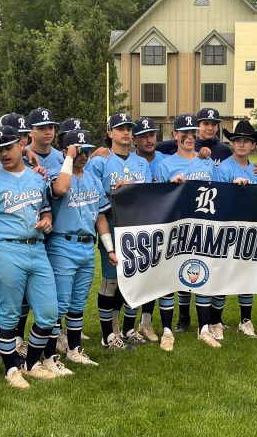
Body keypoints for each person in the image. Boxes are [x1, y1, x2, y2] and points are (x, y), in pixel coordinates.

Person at [0, 125, 59, 388]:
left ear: (21, 144)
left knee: (49, 313)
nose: (3, 154)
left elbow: (45, 211)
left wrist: (47, 220)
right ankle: (12, 370)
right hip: (5, 249)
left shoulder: (37, 177)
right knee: (8, 314)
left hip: (37, 248)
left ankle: (30, 364)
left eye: (7, 147)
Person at [47, 129, 116, 366]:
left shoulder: (93, 179)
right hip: (62, 244)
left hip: (87, 246)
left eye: (86, 149)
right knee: (59, 304)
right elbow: (61, 189)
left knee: (77, 304)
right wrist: (69, 158)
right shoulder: (57, 174)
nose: (83, 154)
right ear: (65, 151)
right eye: (78, 150)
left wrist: (109, 248)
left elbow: (100, 217)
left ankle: (74, 349)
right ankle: (50, 356)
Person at [86, 113, 151, 350]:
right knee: (111, 281)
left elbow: (149, 196)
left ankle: (128, 328)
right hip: (111, 223)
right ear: (110, 133)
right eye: (120, 128)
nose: (126, 132)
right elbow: (91, 194)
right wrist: (117, 193)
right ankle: (108, 334)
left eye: (129, 129)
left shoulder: (141, 163)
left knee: (133, 278)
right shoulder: (100, 161)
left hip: (136, 225)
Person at [156, 113, 219, 349]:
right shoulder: (166, 164)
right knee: (170, 277)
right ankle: (167, 331)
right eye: (185, 133)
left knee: (201, 274)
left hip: (202, 225)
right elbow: (157, 198)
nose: (190, 137)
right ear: (175, 136)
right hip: (175, 227)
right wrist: (170, 187)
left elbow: (218, 193)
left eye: (193, 133)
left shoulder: (206, 164)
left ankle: (204, 329)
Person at [213, 120, 257, 339]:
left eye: (246, 141)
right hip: (228, 227)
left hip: (251, 228)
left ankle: (245, 320)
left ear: (253, 145)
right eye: (237, 140)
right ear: (232, 143)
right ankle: (215, 321)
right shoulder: (223, 168)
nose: (242, 145)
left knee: (247, 274)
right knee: (223, 275)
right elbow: (217, 201)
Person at [131, 117, 166, 342]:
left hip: (159, 223)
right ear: (134, 140)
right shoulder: (129, 160)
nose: (149, 139)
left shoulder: (165, 159)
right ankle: (117, 324)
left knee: (154, 274)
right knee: (129, 275)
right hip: (133, 223)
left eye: (152, 135)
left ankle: (146, 320)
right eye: (143, 136)